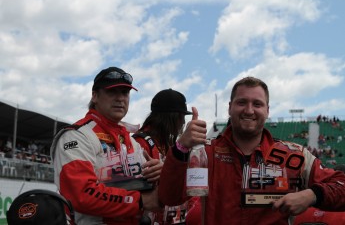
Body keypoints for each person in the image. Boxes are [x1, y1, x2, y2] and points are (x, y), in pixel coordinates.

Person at [158, 76, 345, 225]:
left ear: (267, 110)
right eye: (241, 102)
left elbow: (341, 184)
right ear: (229, 107)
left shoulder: (294, 156)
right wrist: (181, 147)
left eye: (257, 104)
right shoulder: (205, 153)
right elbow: (170, 197)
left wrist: (312, 195)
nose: (249, 110)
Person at [51, 67, 162, 225]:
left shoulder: (132, 142)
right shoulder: (76, 136)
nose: (120, 98)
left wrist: (156, 174)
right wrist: (140, 201)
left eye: (125, 92)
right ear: (95, 96)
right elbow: (81, 194)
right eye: (112, 92)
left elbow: (150, 192)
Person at [133, 88, 200, 224]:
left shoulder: (168, 144)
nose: (182, 123)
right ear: (171, 116)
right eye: (181, 117)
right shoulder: (140, 142)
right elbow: (134, 187)